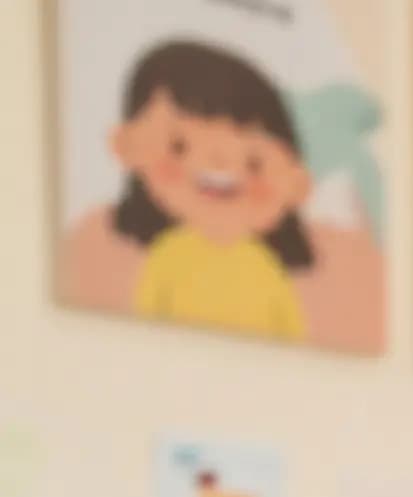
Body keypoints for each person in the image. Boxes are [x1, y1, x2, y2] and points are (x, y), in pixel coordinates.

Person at [107, 39, 315, 340]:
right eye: (180, 147)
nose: (219, 163)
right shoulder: (169, 256)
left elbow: (294, 338)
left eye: (253, 163)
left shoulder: (266, 270)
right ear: (127, 146)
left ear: (297, 184)